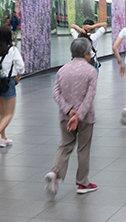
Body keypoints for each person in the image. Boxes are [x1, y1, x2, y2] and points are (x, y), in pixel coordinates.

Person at [45, 38, 98, 197]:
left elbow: (56, 93)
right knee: (83, 148)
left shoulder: (62, 70)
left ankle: (55, 172)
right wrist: (79, 115)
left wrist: (69, 111)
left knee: (65, 145)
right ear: (86, 53)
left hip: (65, 117)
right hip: (85, 118)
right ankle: (82, 183)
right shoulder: (91, 71)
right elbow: (90, 96)